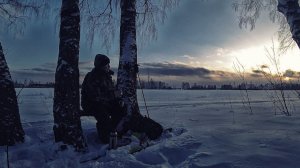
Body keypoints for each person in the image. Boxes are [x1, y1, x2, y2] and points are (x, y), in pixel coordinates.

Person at [81, 54, 163, 144]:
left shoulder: (107, 76)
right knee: (103, 115)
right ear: (100, 66)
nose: (108, 66)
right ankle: (106, 138)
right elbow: (95, 96)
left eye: (108, 64)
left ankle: (116, 131)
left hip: (103, 102)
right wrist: (113, 95)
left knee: (120, 109)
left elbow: (110, 91)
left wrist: (117, 97)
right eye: (106, 65)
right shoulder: (92, 77)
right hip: (91, 104)